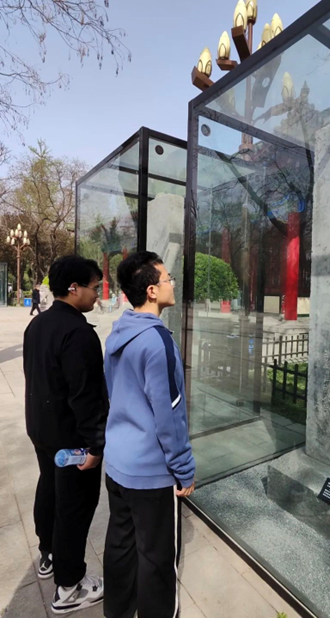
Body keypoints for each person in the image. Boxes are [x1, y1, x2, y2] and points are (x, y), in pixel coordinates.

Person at [103, 251, 195, 618]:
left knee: (121, 545)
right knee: (156, 557)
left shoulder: (119, 332)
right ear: (153, 290)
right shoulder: (157, 341)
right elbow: (169, 418)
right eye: (169, 278)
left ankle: (118, 611)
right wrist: (184, 469)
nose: (173, 284)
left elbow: (114, 393)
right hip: (150, 473)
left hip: (117, 463)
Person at [23, 255, 108, 615]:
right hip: (71, 439)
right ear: (74, 288)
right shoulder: (79, 334)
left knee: (49, 490)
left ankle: (48, 554)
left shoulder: (38, 325)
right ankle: (70, 587)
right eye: (94, 287)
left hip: (42, 430)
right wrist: (96, 445)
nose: (97, 295)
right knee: (74, 507)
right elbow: (84, 396)